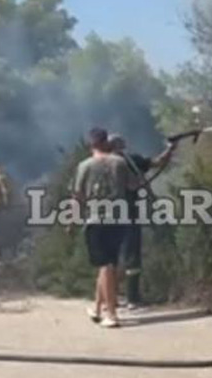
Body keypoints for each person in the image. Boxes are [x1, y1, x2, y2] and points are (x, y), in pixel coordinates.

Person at [108, 134, 176, 309]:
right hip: (118, 215)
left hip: (124, 215)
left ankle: (125, 297)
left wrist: (170, 148)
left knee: (126, 257)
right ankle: (118, 298)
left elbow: (157, 163)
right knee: (119, 258)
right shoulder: (109, 164)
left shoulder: (131, 161)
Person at [73, 127, 130, 328]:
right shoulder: (120, 163)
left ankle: (112, 314)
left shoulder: (84, 166)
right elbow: (134, 185)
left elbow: (78, 196)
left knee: (105, 265)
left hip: (96, 220)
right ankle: (97, 308)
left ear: (91, 144)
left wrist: (72, 220)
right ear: (106, 142)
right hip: (119, 219)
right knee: (108, 265)